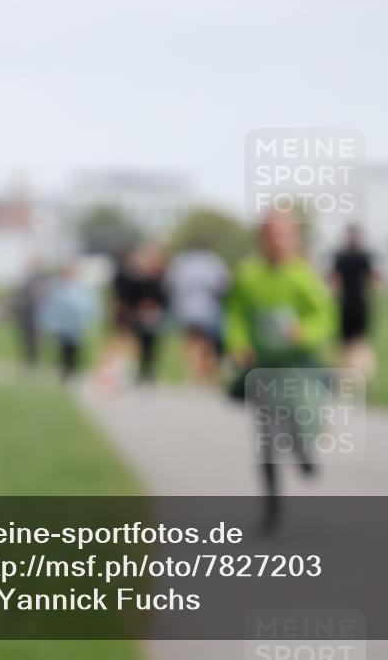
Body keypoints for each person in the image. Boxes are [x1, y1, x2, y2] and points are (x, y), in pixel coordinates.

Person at [224, 208, 336, 533]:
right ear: (263, 237)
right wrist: (239, 343)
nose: (279, 241)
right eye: (273, 234)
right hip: (264, 368)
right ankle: (271, 511)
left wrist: (305, 331)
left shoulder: (302, 275)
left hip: (299, 366)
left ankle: (304, 450)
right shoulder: (248, 275)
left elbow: (325, 316)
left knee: (301, 420)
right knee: (267, 439)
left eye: (286, 234)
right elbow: (234, 314)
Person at [165, 239, 231, 384]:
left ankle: (195, 374)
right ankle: (208, 373)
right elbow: (224, 284)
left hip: (186, 307)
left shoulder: (181, 260)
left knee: (192, 341)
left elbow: (170, 284)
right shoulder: (213, 261)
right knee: (208, 341)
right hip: (208, 307)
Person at [39, 261, 101, 382]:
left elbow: (90, 306)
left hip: (77, 324)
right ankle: (65, 371)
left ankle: (72, 370)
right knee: (63, 348)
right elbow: (51, 305)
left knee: (74, 348)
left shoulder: (83, 288)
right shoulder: (57, 286)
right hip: (62, 324)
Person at [330, 224, 379, 378]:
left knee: (351, 346)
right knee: (356, 345)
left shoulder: (342, 257)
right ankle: (360, 377)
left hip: (348, 306)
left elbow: (333, 281)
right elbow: (374, 278)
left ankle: (352, 378)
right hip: (356, 306)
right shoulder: (362, 256)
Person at [128, 244, 167, 384]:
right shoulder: (136, 278)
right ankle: (140, 371)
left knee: (152, 344)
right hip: (140, 313)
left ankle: (150, 371)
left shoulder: (160, 277)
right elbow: (132, 297)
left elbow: (164, 297)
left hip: (155, 313)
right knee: (140, 343)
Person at [10, 258, 48, 369]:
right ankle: (28, 360)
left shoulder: (41, 279)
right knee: (25, 339)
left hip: (36, 313)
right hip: (26, 313)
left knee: (35, 339)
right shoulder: (25, 279)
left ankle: (33, 361)